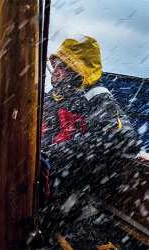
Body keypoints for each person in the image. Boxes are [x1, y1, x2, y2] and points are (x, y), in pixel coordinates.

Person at [40, 35, 142, 249]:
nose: (55, 71)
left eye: (62, 66)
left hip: (87, 181)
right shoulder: (59, 95)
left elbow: (118, 138)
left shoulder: (96, 95)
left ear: (78, 69)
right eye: (55, 65)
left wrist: (57, 152)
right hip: (64, 173)